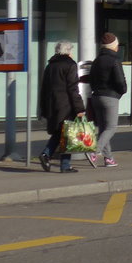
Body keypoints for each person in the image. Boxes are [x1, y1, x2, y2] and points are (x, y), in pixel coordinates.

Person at [38, 40, 85, 173]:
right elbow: (72, 88)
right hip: (66, 105)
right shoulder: (70, 65)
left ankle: (46, 154)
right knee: (67, 135)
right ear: (69, 51)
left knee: (60, 133)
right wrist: (80, 108)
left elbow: (44, 88)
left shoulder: (50, 66)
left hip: (52, 104)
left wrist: (43, 107)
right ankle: (64, 165)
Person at [87, 32, 127, 168]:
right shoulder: (114, 60)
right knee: (111, 127)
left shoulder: (97, 60)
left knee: (104, 128)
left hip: (96, 96)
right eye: (117, 45)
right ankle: (94, 151)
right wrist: (122, 91)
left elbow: (91, 79)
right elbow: (120, 80)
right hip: (110, 96)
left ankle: (108, 158)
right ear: (114, 46)